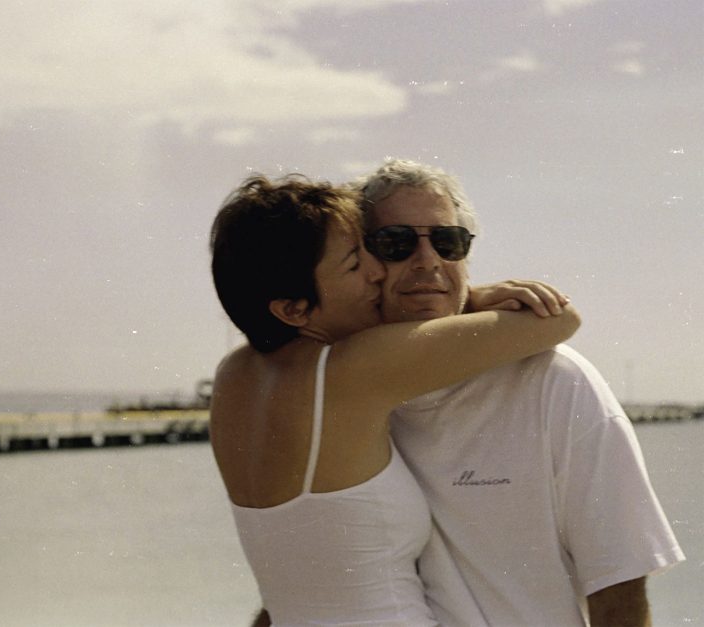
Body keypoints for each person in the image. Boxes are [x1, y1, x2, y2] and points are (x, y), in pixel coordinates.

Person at [209, 174, 580, 626]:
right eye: (353, 264)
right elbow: (557, 321)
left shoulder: (233, 377)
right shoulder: (351, 368)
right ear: (292, 310)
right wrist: (469, 298)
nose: (377, 272)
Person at [357, 159, 685, 626]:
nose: (428, 260)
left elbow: (619, 589)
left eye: (448, 243)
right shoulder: (339, 394)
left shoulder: (557, 383)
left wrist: (461, 301)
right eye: (396, 243)